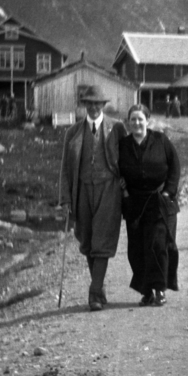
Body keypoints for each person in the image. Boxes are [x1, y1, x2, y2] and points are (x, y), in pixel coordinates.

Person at [60, 85, 128, 311]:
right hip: (82, 191)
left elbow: (128, 159)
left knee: (103, 238)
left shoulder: (117, 128)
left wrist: (127, 184)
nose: (94, 107)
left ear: (103, 105)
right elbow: (65, 169)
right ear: (84, 105)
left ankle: (94, 292)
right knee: (87, 240)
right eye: (89, 103)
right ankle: (99, 288)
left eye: (98, 104)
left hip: (109, 189)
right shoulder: (73, 132)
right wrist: (66, 198)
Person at [118, 104, 180, 307]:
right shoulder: (124, 145)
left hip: (158, 202)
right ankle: (147, 292)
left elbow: (175, 166)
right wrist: (123, 190)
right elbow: (115, 169)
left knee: (158, 246)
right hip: (134, 203)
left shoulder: (160, 140)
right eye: (132, 119)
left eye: (140, 119)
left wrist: (168, 192)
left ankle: (160, 289)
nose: (136, 123)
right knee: (136, 249)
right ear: (128, 122)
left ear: (147, 121)